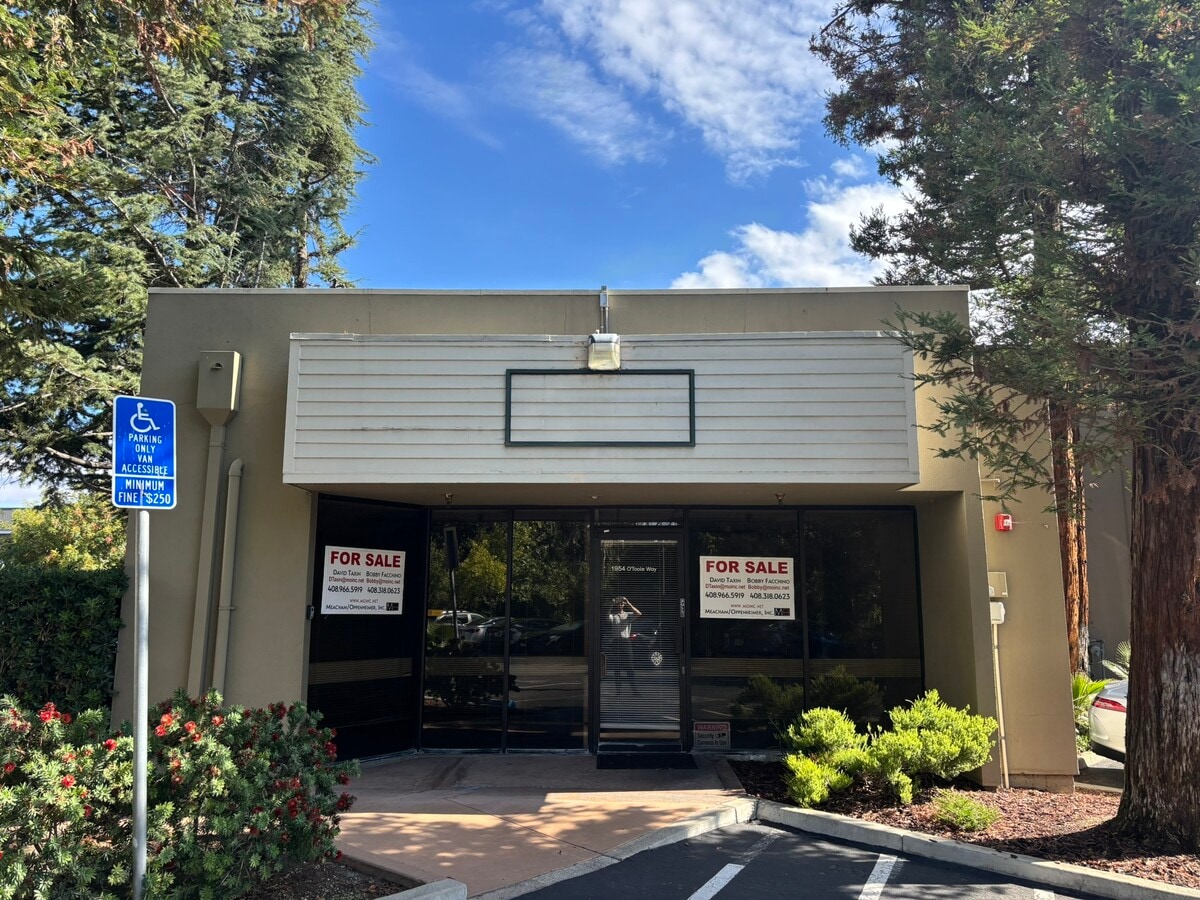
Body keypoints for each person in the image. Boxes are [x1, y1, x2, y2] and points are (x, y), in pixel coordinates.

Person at [607, 596, 642, 692]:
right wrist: (611, 604)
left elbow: (639, 613)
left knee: (630, 666)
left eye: (622, 603)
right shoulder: (613, 616)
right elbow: (606, 616)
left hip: (626, 642)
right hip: (616, 642)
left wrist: (628, 602)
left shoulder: (628, 615)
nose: (620, 605)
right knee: (617, 667)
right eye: (618, 604)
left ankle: (634, 690)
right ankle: (618, 691)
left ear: (624, 605)